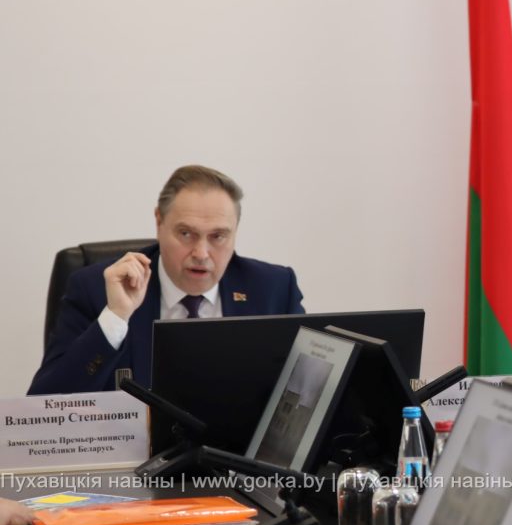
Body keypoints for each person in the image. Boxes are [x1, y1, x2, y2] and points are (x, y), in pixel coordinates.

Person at [29, 165, 305, 394]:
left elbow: (308, 395)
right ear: (159, 221)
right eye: (186, 234)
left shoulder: (274, 290)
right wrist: (116, 317)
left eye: (218, 236)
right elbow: (45, 406)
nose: (201, 253)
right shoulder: (96, 289)